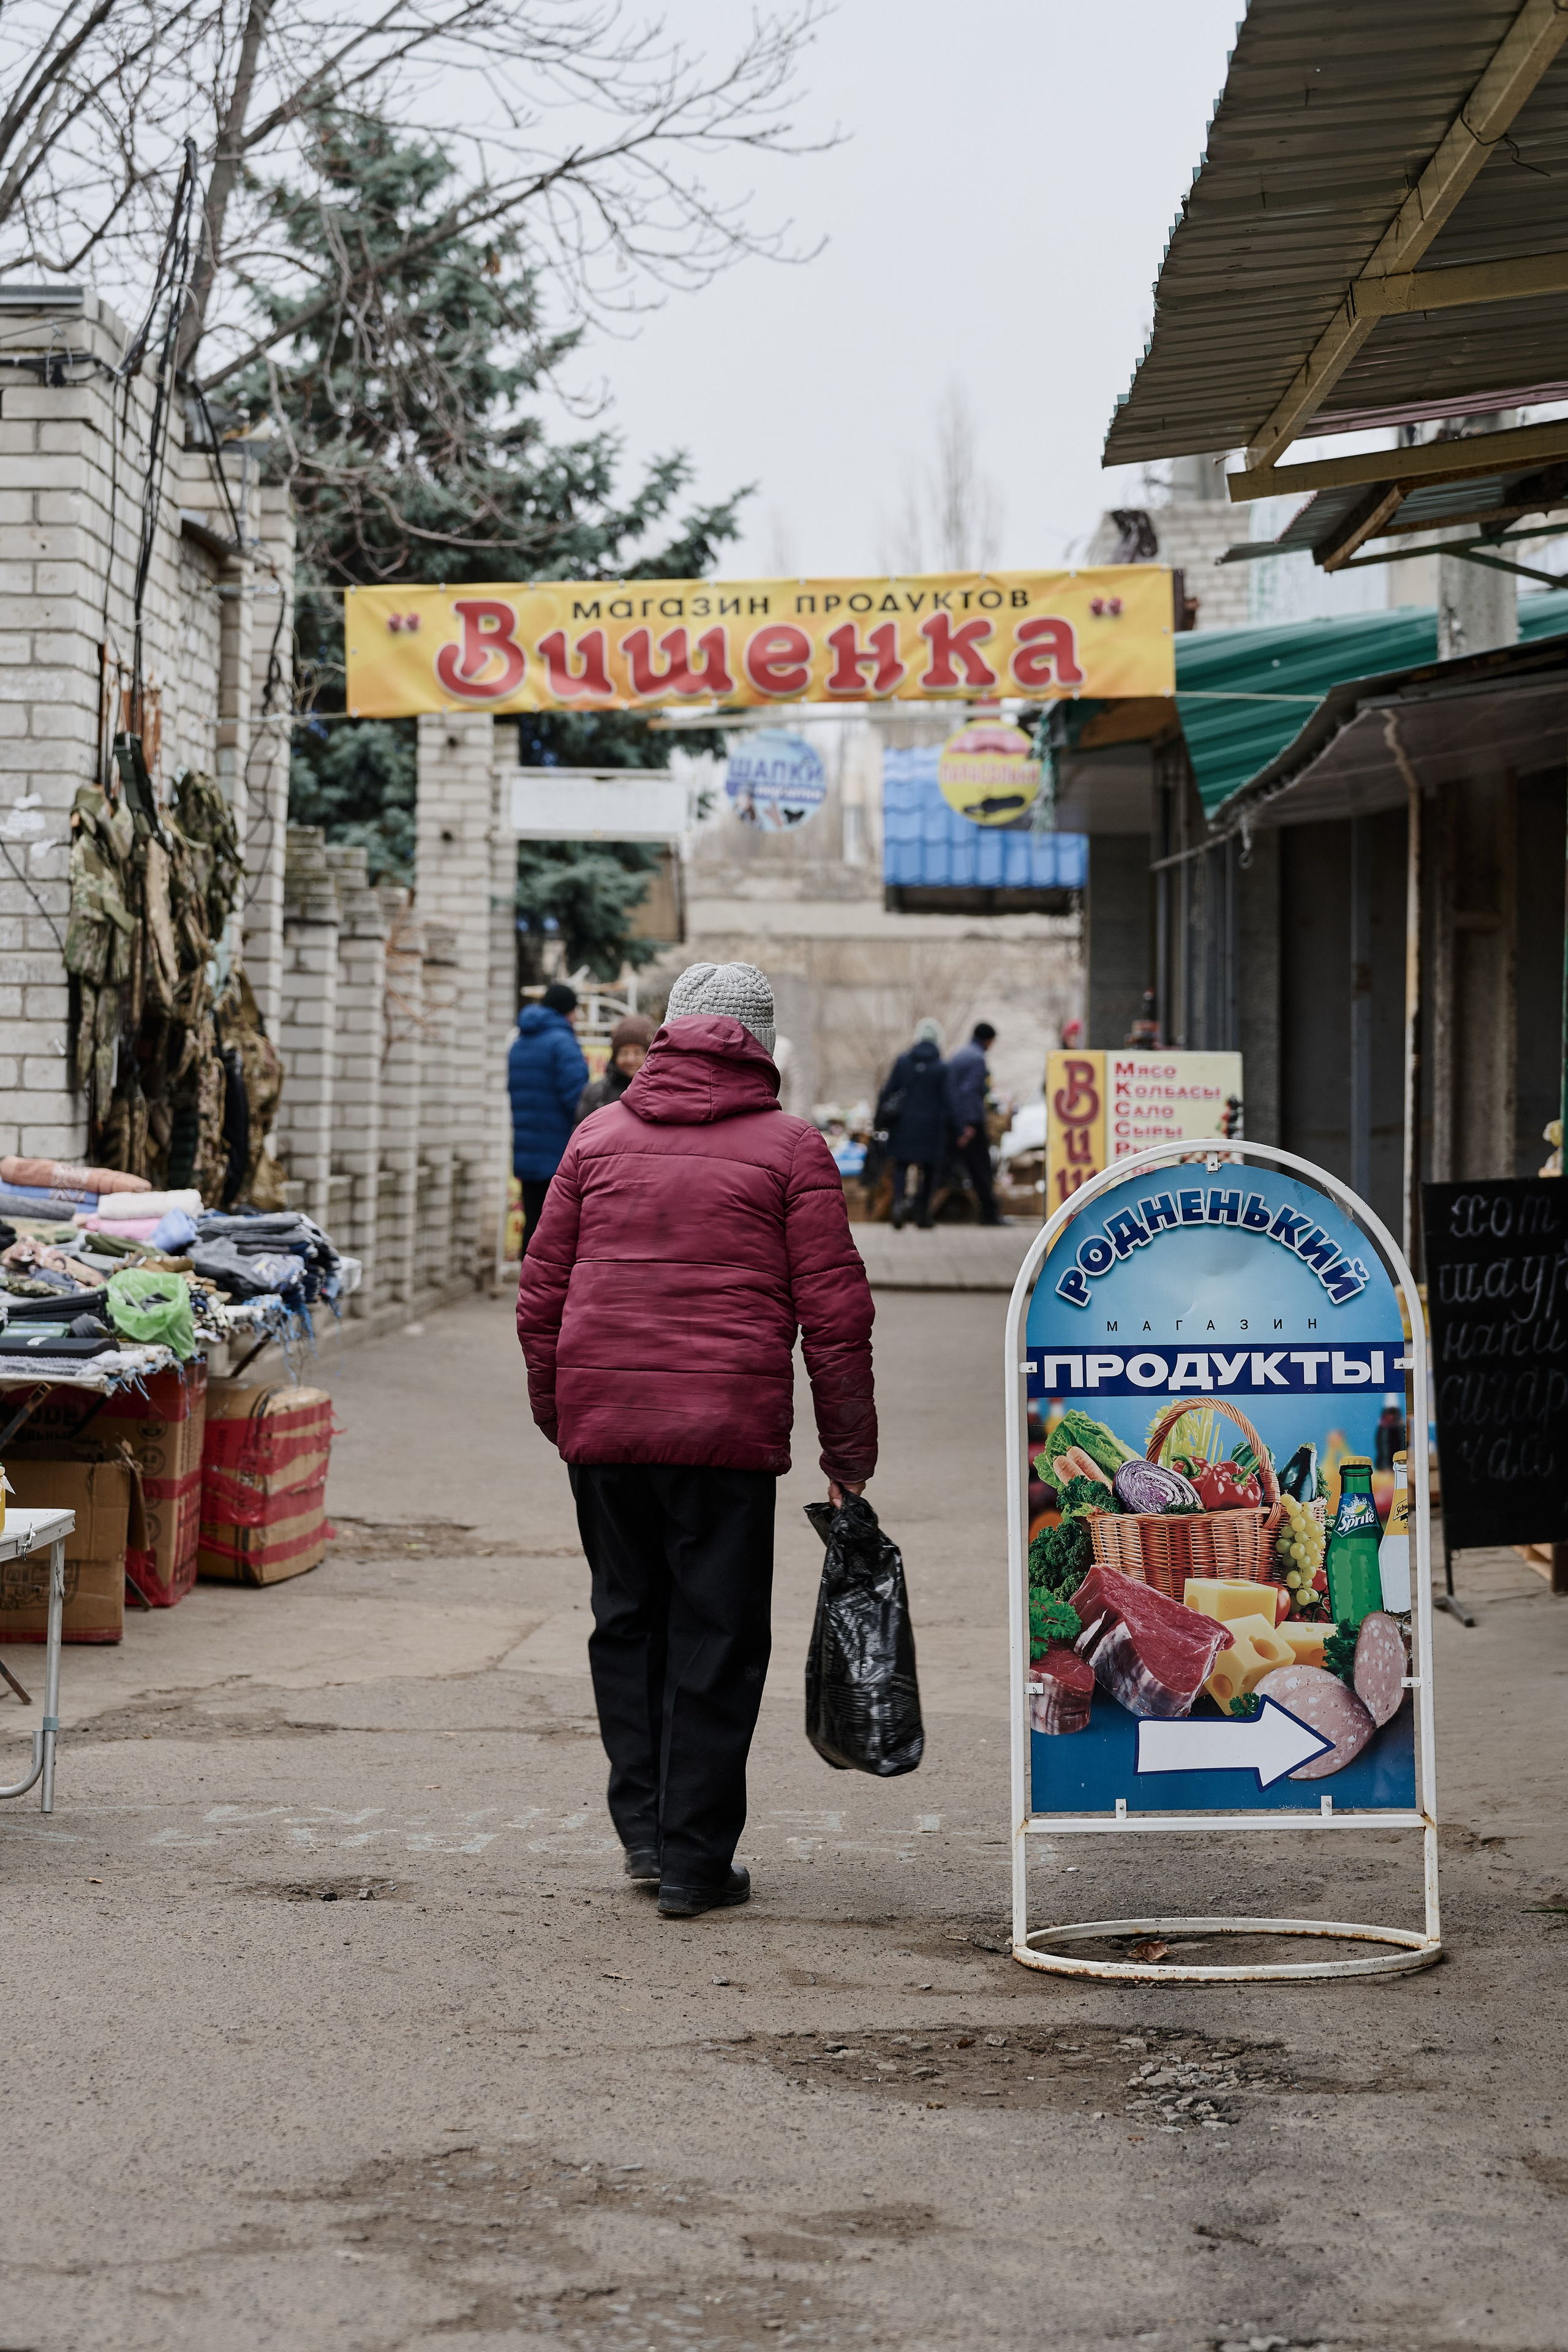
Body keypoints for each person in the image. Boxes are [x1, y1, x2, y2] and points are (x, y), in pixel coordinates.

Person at [516, 960, 876, 1920]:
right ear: (760, 1045)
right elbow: (837, 1320)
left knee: (626, 1622)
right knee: (715, 1637)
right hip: (723, 1436)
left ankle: (645, 1833)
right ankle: (693, 1861)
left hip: (606, 1433)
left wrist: (564, 1417)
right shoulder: (795, 1149)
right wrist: (849, 1459)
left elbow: (540, 1295)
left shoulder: (596, 1137)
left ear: (672, 1033)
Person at [507, 982, 589, 1253]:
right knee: (556, 1227)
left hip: (526, 1148)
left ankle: (526, 1285)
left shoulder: (520, 1042)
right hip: (557, 1151)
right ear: (568, 1010)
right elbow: (578, 1100)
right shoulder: (563, 1043)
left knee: (532, 1219)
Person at [875, 1017, 951, 1230]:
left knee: (901, 1165)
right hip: (931, 1127)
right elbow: (947, 1101)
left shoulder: (903, 1062)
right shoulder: (941, 1068)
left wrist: (879, 1121)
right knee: (928, 1170)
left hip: (903, 1125)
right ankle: (922, 1214)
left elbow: (888, 1091)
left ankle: (898, 1205)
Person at [948, 1020, 1003, 1226]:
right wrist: (968, 1125)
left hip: (955, 1118)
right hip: (971, 1122)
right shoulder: (977, 1059)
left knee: (949, 1167)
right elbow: (969, 1092)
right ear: (988, 1040)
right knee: (982, 1168)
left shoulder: (960, 1054)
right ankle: (989, 1214)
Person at [574, 1012, 655, 1125]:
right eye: (623, 1053)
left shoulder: (660, 1092)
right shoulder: (596, 1093)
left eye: (638, 1053)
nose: (630, 1059)